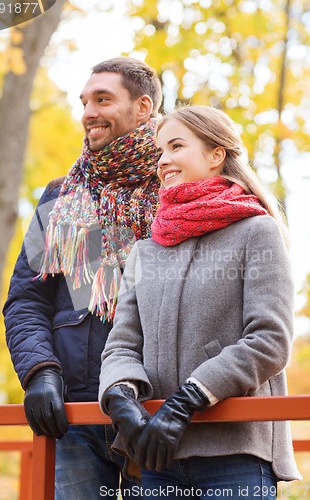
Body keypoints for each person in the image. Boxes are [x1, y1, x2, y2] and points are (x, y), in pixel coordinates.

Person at [98, 105, 301, 499]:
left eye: (176, 146)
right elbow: (121, 344)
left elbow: (270, 339)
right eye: (160, 151)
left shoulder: (257, 232)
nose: (163, 160)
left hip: (234, 454)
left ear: (215, 155)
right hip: (155, 457)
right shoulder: (145, 250)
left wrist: (190, 398)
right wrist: (120, 395)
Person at [3, 56, 162, 499]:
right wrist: (39, 373)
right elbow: (27, 300)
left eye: (103, 99)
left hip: (154, 410)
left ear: (143, 107)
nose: (88, 112)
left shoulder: (179, 183)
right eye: (84, 101)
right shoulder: (61, 196)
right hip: (72, 416)